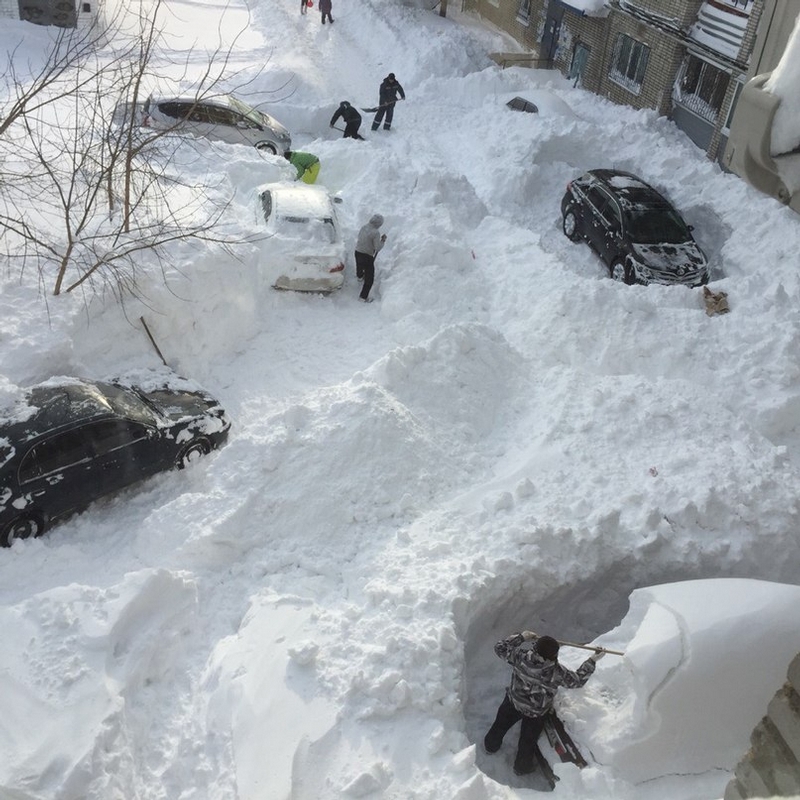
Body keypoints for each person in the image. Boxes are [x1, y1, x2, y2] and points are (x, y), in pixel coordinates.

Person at [484, 632, 604, 779]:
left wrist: (521, 636)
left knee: (499, 725)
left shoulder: (520, 657)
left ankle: (490, 746)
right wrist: (592, 660)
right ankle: (521, 767)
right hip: (535, 713)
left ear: (535, 648)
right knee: (527, 742)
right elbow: (577, 681)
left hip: (513, 702)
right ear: (553, 656)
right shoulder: (556, 672)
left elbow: (500, 647)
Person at [354, 214, 386, 303]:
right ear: (379, 224)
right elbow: (377, 248)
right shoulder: (375, 232)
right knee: (369, 278)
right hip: (367, 256)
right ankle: (363, 297)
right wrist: (382, 241)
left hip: (357, 251)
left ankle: (359, 277)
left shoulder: (364, 227)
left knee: (359, 266)